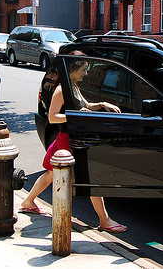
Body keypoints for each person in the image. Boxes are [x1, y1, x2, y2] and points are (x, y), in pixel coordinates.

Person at [19, 58, 127, 233]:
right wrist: (75, 116)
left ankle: (28, 202)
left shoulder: (73, 86)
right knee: (89, 179)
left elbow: (85, 105)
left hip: (71, 137)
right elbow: (52, 117)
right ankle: (104, 220)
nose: (87, 73)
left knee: (51, 173)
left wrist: (101, 104)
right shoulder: (61, 90)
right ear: (72, 71)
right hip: (67, 140)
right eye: (84, 70)